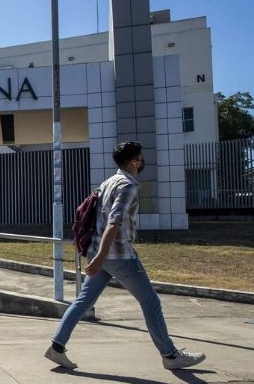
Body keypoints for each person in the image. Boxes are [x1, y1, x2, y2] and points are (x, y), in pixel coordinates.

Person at [45, 141, 206, 370]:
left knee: (83, 302)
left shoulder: (108, 182)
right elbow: (114, 222)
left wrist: (98, 256)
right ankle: (170, 356)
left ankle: (57, 347)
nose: (142, 162)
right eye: (140, 158)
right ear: (133, 162)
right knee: (150, 301)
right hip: (118, 255)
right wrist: (101, 257)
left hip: (100, 253)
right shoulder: (128, 185)